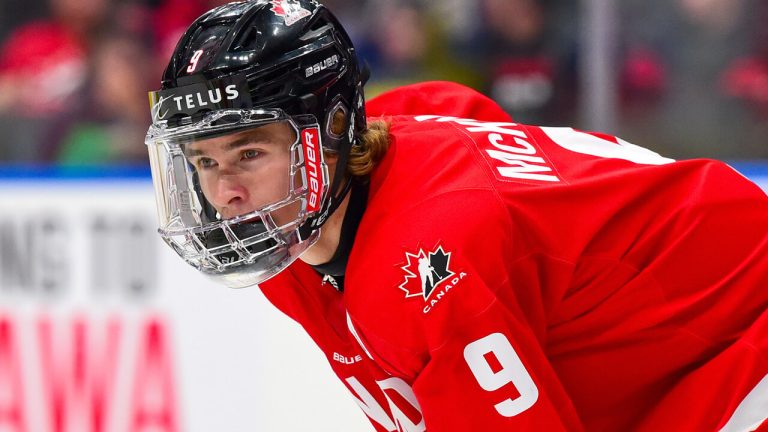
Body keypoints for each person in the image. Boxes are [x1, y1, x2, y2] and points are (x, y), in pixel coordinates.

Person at [144, 1, 768, 430]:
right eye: (202, 161)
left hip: (745, 332)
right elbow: (459, 107)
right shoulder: (317, 213)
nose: (224, 192)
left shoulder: (429, 261)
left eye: (249, 153)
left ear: (332, 133)